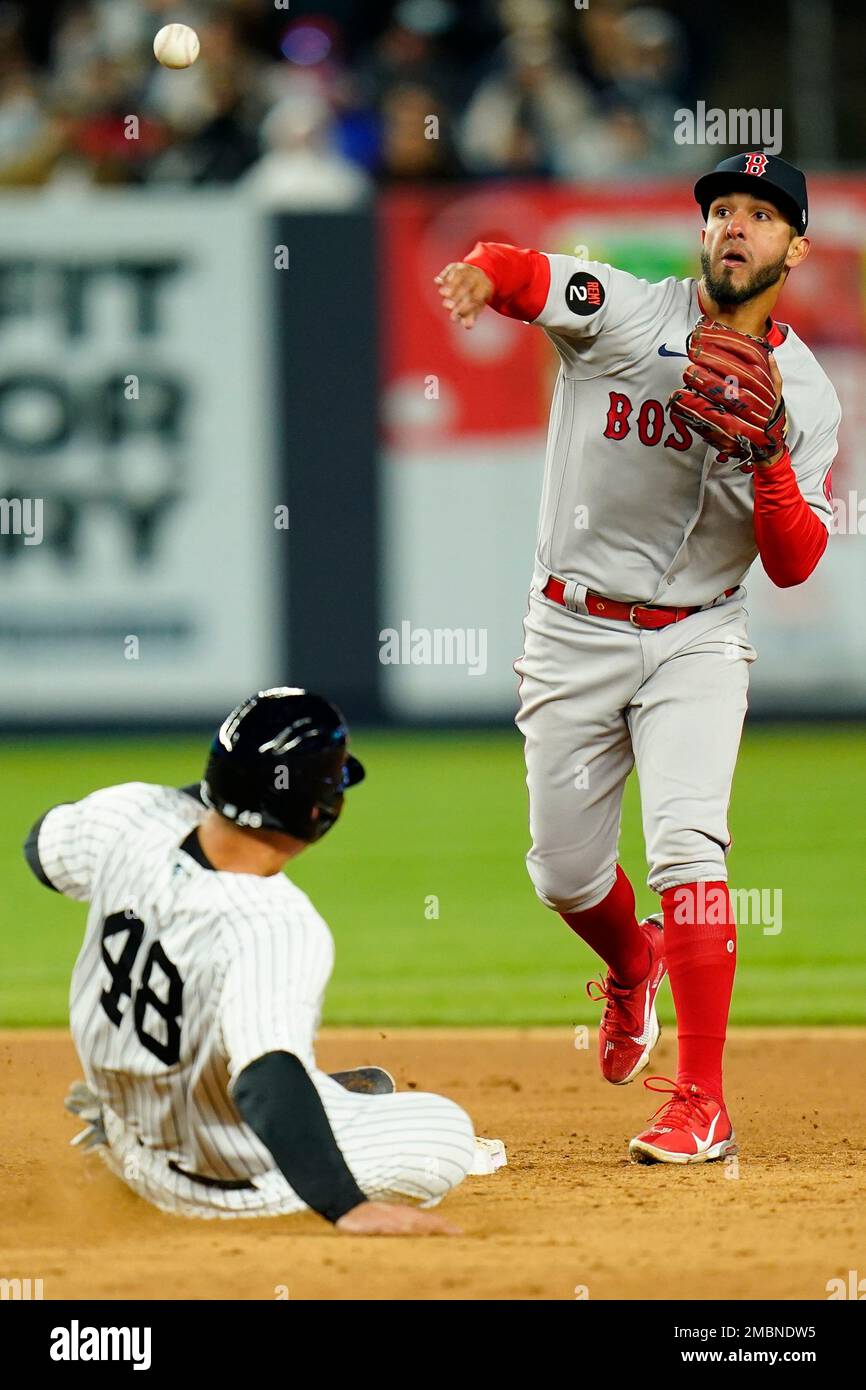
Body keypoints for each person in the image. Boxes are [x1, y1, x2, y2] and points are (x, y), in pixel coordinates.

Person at [435, 154, 839, 1164]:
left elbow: (792, 565)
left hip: (697, 634)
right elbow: (524, 270)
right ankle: (630, 966)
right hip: (569, 629)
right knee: (564, 874)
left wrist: (769, 455)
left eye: (760, 214)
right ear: (701, 233)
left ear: (793, 247)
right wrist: (481, 273)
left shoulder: (806, 395)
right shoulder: (621, 308)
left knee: (685, 847)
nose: (734, 226)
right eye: (721, 211)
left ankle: (699, 1099)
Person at [23, 687, 481, 1232]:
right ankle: (309, 1117)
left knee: (257, 1058)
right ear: (318, 810)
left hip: (127, 1128)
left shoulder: (134, 816)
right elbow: (264, 1077)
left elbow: (41, 849)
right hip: (221, 1186)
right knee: (445, 1131)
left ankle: (298, 1101)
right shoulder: (274, 920)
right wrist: (348, 1207)